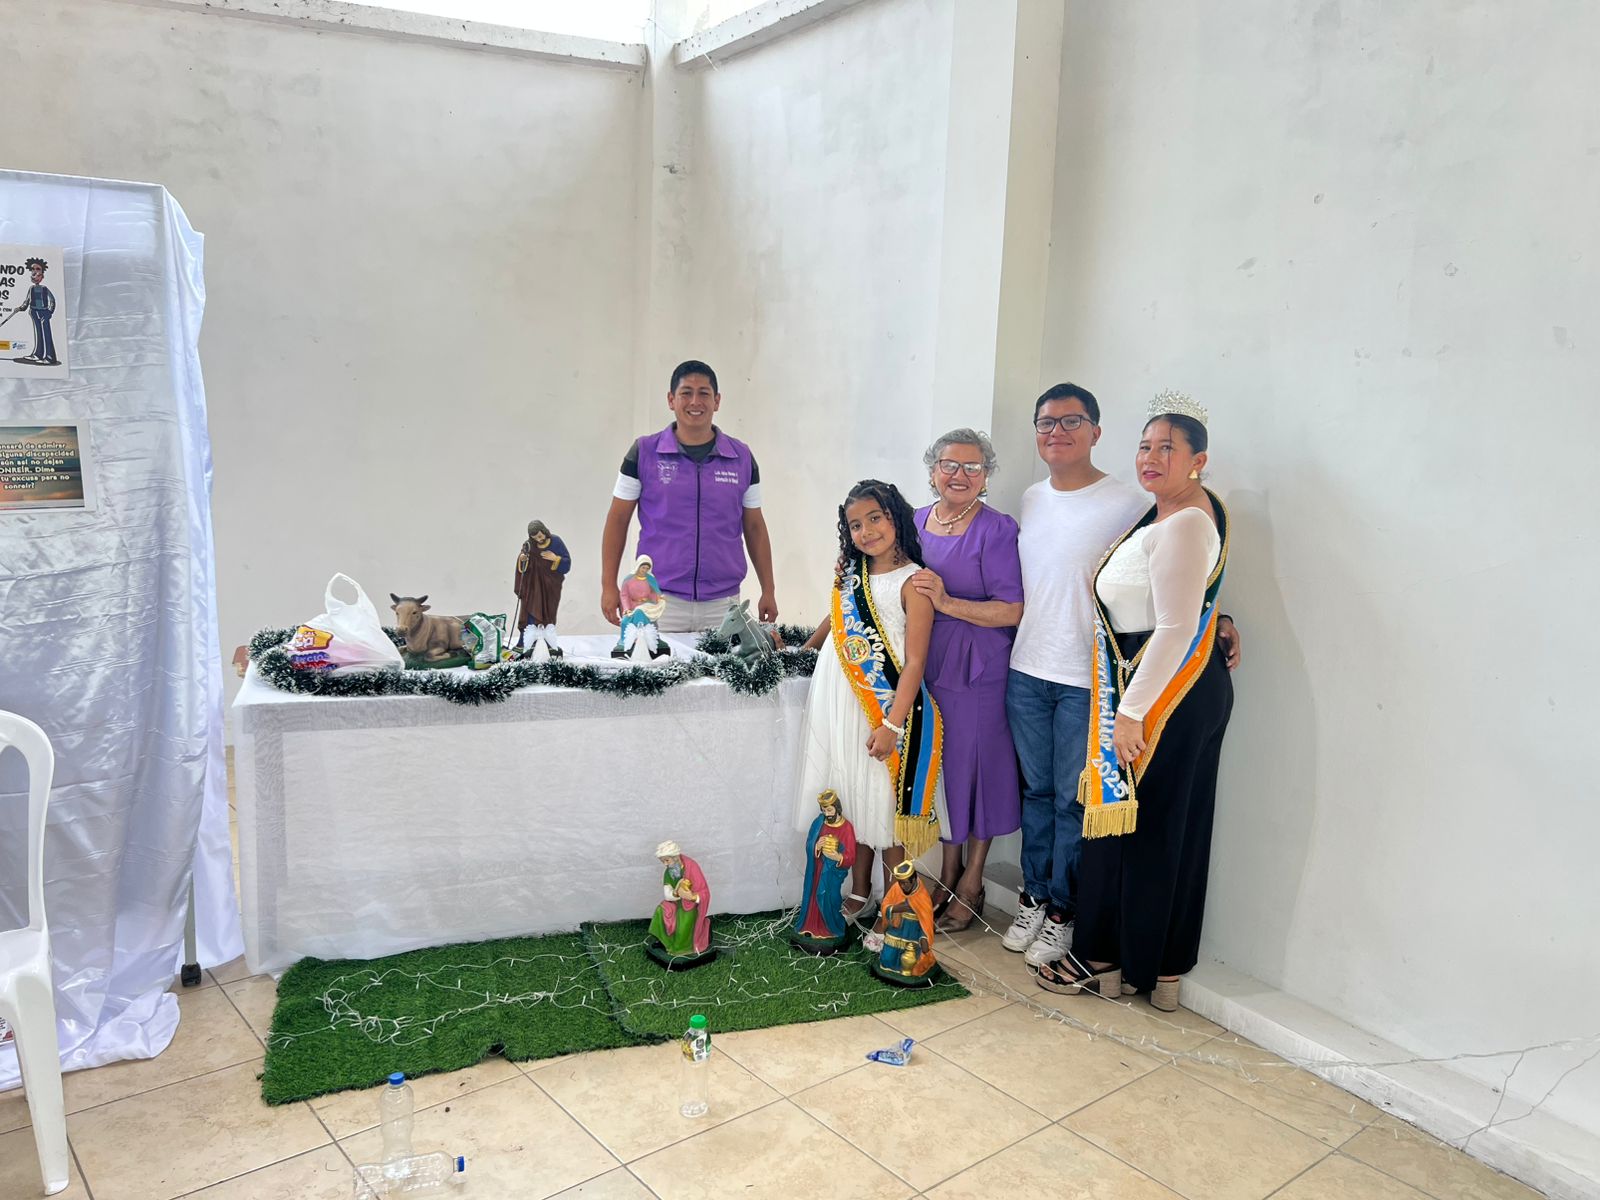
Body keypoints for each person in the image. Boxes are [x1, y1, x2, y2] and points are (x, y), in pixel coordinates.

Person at [1003, 384, 1239, 967]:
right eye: (1046, 423)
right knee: (1035, 793)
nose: (1057, 433)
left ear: (1095, 431)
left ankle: (1064, 912)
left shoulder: (1131, 501)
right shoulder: (1030, 499)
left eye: (1071, 421)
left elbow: (1177, 579)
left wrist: (1218, 618)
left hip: (1090, 677)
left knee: (1073, 802)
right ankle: (1035, 897)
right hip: (1027, 666)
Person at [797, 480, 941, 918]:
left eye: (875, 518)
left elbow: (915, 662)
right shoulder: (851, 573)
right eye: (856, 524)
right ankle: (859, 892)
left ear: (896, 517)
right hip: (841, 702)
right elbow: (835, 617)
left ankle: (894, 906)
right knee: (852, 796)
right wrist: (803, 650)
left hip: (884, 706)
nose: (866, 531)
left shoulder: (914, 582)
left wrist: (892, 725)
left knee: (883, 804)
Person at [908, 429, 1023, 932]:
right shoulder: (914, 520)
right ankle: (947, 871)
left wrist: (947, 602)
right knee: (945, 767)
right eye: (950, 465)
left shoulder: (996, 529)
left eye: (972, 467)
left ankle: (972, 881)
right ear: (933, 470)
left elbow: (1012, 609)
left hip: (978, 665)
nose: (960, 475)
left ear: (986, 475)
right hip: (927, 659)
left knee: (978, 768)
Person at [600, 360, 778, 632]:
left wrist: (769, 589)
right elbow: (617, 519)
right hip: (657, 599)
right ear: (671, 400)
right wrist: (608, 585)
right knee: (655, 661)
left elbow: (754, 526)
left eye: (704, 393)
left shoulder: (741, 457)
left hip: (723, 604)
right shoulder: (644, 452)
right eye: (686, 393)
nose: (695, 401)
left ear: (717, 401)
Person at [793, 790, 858, 943]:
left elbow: (851, 856)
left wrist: (838, 857)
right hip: (816, 869)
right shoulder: (819, 822)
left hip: (832, 873)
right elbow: (809, 843)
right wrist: (816, 846)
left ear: (837, 808)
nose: (827, 814)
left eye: (829, 810)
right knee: (812, 895)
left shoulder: (846, 828)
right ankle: (810, 925)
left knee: (828, 896)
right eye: (824, 810)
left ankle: (831, 928)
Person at [871, 858, 937, 981]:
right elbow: (885, 905)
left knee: (911, 965)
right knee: (887, 960)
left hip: (913, 936)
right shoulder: (897, 888)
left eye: (905, 883)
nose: (902, 886)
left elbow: (926, 922)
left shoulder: (922, 897)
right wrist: (896, 908)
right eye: (900, 882)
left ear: (914, 880)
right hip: (896, 931)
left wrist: (924, 938)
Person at [513, 520, 571, 654]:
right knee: (529, 613)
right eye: (535, 537)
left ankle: (547, 643)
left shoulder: (556, 542)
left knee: (548, 614)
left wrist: (556, 558)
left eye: (540, 536)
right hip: (533, 587)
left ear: (544, 531)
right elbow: (522, 563)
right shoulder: (529, 545)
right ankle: (525, 643)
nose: (538, 539)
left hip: (551, 586)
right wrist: (522, 559)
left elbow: (567, 563)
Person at [648, 840, 712, 958]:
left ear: (676, 857)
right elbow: (667, 894)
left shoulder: (692, 867)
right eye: (663, 861)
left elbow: (704, 892)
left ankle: (680, 948)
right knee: (661, 910)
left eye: (667, 860)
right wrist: (676, 893)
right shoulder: (668, 872)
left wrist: (692, 897)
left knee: (683, 923)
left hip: (690, 905)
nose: (665, 864)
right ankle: (665, 941)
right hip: (675, 902)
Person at [8, 258, 59, 366]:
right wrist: (20, 308)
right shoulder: (31, 288)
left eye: (38, 269)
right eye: (33, 270)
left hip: (44, 312)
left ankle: (50, 357)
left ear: (42, 276)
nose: (35, 272)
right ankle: (38, 354)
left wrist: (50, 312)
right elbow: (27, 301)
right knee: (38, 333)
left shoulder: (45, 288)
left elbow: (52, 300)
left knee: (46, 334)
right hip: (34, 312)